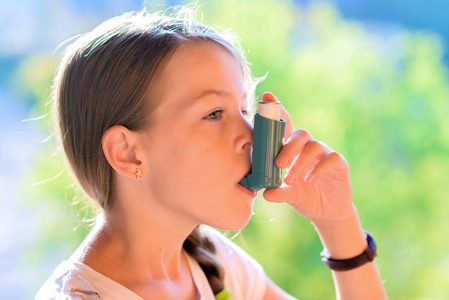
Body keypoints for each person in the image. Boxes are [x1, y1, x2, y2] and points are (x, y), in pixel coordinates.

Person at [35, 6, 387, 300]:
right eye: (214, 114)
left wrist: (339, 223)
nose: (252, 137)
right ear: (129, 154)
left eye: (245, 112)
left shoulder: (213, 263)